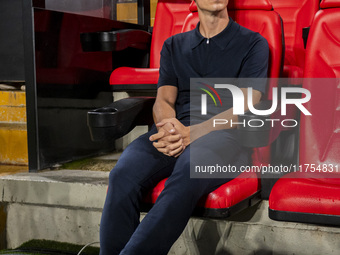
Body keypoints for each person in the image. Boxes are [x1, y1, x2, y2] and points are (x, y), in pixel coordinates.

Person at [99, 0, 269, 254]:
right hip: (178, 131)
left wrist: (193, 133)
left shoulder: (254, 43)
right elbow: (164, 100)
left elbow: (246, 106)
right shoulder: (174, 45)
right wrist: (170, 130)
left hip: (225, 137)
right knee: (123, 174)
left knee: (187, 173)